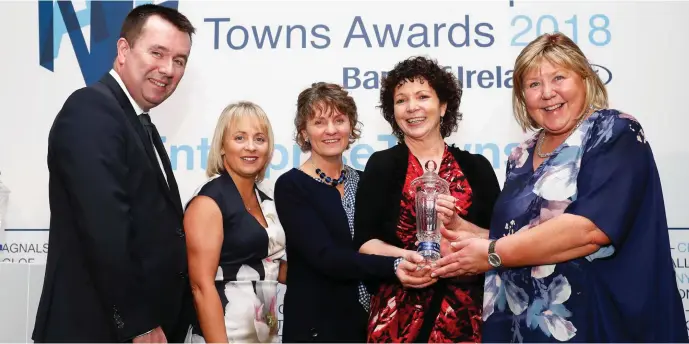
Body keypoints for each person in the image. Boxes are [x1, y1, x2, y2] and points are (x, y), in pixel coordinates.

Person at [432, 32, 688, 342]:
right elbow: (524, 237)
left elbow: (589, 231)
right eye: (534, 84)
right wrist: (465, 232)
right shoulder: (521, 154)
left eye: (559, 78)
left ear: (584, 78)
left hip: (599, 324)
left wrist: (491, 253)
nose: (547, 93)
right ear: (522, 96)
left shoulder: (614, 131)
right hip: (523, 327)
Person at [31, 4, 196, 343]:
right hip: (100, 330)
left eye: (179, 60)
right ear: (123, 50)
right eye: (157, 53)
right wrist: (139, 322)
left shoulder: (138, 123)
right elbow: (105, 229)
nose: (168, 69)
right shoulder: (92, 109)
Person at [353, 56, 501, 343]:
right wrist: (403, 260)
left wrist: (460, 229)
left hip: (467, 321)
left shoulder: (477, 167)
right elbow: (365, 243)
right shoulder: (382, 166)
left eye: (423, 96)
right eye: (401, 100)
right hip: (395, 322)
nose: (412, 108)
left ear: (443, 106)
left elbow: (500, 241)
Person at [274, 82, 430, 343]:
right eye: (319, 122)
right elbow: (325, 257)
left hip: (371, 324)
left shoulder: (365, 181)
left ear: (351, 126)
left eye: (339, 120)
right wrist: (393, 265)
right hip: (316, 326)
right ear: (304, 132)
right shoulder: (291, 186)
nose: (331, 130)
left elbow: (385, 241)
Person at [183, 101, 286, 343]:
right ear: (222, 146)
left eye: (259, 139)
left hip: (264, 334)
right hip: (224, 335)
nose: (251, 147)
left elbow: (269, 265)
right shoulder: (208, 202)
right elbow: (200, 286)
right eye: (240, 138)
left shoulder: (267, 201)